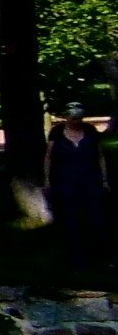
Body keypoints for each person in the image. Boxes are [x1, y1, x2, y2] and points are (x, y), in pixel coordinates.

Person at [45, 102, 110, 271]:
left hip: (90, 180)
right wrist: (47, 179)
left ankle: (100, 257)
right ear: (66, 117)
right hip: (66, 182)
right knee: (71, 219)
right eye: (73, 118)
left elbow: (100, 155)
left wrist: (104, 179)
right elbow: (49, 157)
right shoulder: (57, 133)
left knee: (96, 218)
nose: (76, 121)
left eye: (79, 118)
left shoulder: (90, 131)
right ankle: (76, 259)